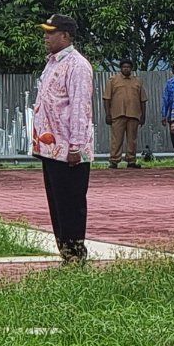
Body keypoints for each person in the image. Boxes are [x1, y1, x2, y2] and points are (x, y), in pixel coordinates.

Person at [32, 14, 94, 264]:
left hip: (69, 148)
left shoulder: (77, 65)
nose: (46, 37)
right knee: (57, 204)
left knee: (71, 203)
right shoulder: (53, 63)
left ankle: (76, 253)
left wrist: (76, 147)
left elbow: (80, 107)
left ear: (65, 36)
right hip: (50, 147)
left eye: (51, 33)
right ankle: (65, 253)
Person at [104, 60, 147, 169]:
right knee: (116, 139)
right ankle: (114, 160)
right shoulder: (113, 80)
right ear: (121, 68)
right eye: (124, 67)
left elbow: (143, 100)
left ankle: (131, 160)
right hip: (118, 114)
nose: (126, 69)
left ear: (131, 68)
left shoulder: (137, 81)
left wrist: (143, 115)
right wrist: (107, 114)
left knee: (132, 139)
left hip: (134, 114)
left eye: (128, 67)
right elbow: (107, 99)